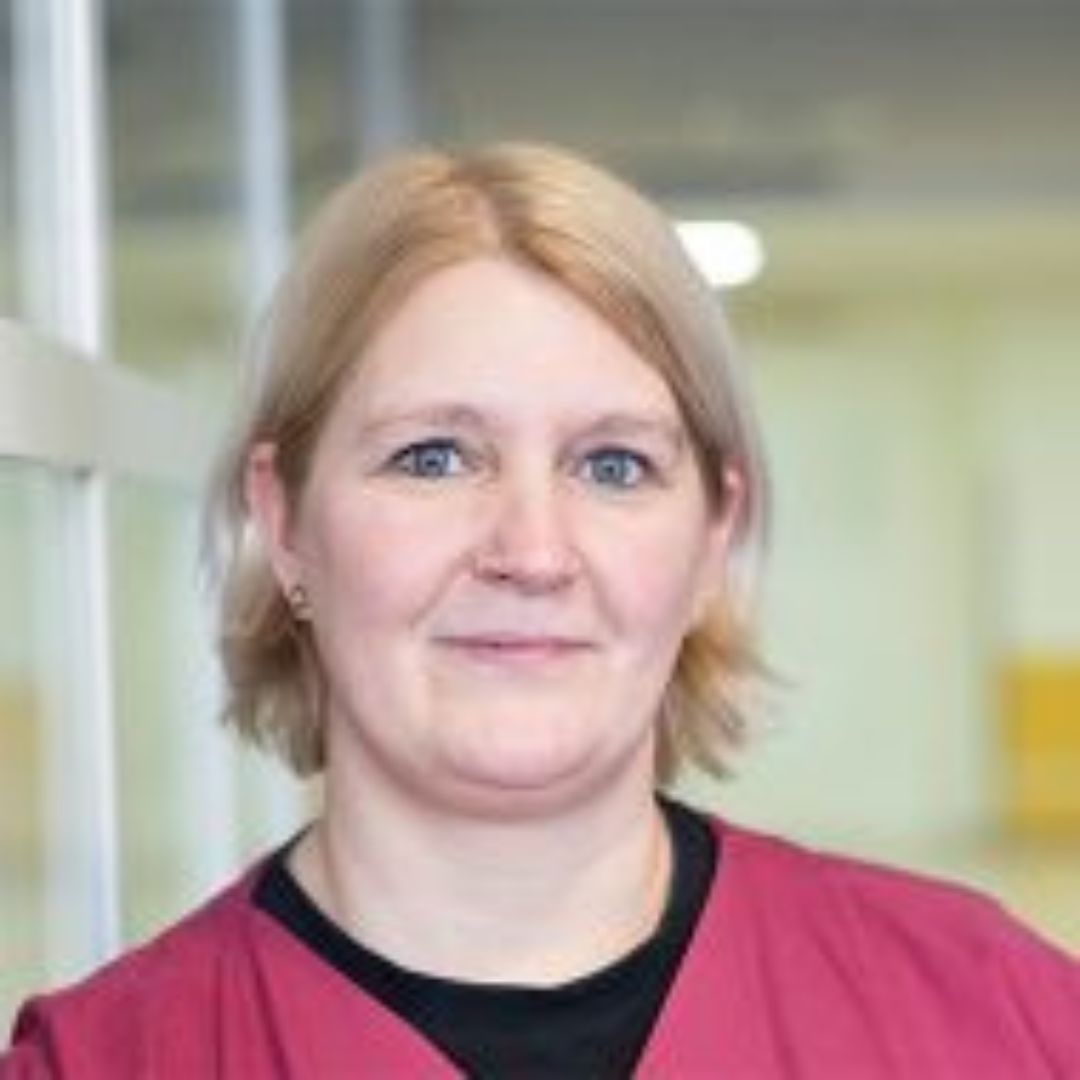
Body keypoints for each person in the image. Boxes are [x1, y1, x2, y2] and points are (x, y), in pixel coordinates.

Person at [3, 142, 1078, 1079]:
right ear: (283, 522)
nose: (531, 552)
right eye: (434, 457)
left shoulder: (1003, 1017)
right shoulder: (102, 1064)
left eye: (613, 466)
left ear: (713, 537)